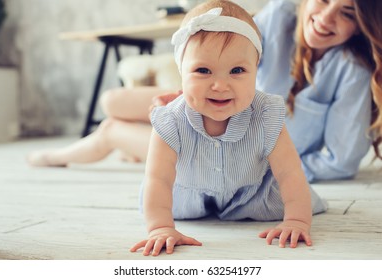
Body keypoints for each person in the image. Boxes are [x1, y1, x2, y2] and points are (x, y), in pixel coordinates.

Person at [27, 0, 382, 183]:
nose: (325, 18)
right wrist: (184, 97)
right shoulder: (279, 19)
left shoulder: (351, 70)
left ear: (361, 25)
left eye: (347, 12)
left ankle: (61, 156)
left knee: (111, 129)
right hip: (221, 106)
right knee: (112, 100)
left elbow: (343, 160)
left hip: (233, 150)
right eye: (322, 1)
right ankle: (140, 145)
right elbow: (227, 57)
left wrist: (273, 169)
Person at [129, 0, 327, 256]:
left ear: (256, 71)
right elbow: (158, 178)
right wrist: (160, 227)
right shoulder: (170, 119)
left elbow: (289, 172)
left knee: (290, 194)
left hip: (253, 195)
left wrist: (297, 221)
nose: (220, 85)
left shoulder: (266, 114)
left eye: (237, 70)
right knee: (155, 193)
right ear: (182, 72)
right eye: (203, 70)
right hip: (187, 197)